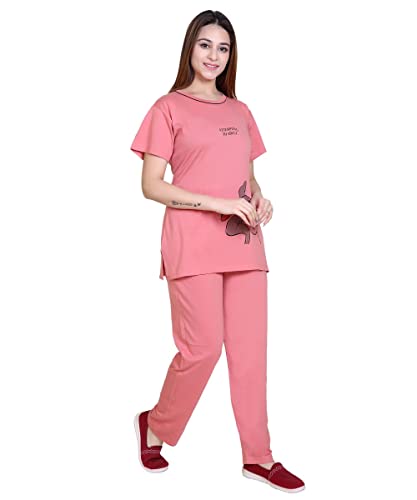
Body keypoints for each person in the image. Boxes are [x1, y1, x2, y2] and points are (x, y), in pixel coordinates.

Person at [130, 10, 305, 493]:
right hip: (191, 243)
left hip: (244, 244)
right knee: (202, 349)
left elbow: (247, 177)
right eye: (205, 45)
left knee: (250, 355)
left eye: (223, 48)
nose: (214, 56)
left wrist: (260, 199)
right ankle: (155, 425)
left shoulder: (240, 111)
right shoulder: (167, 108)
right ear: (190, 47)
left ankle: (259, 457)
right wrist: (217, 203)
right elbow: (151, 185)